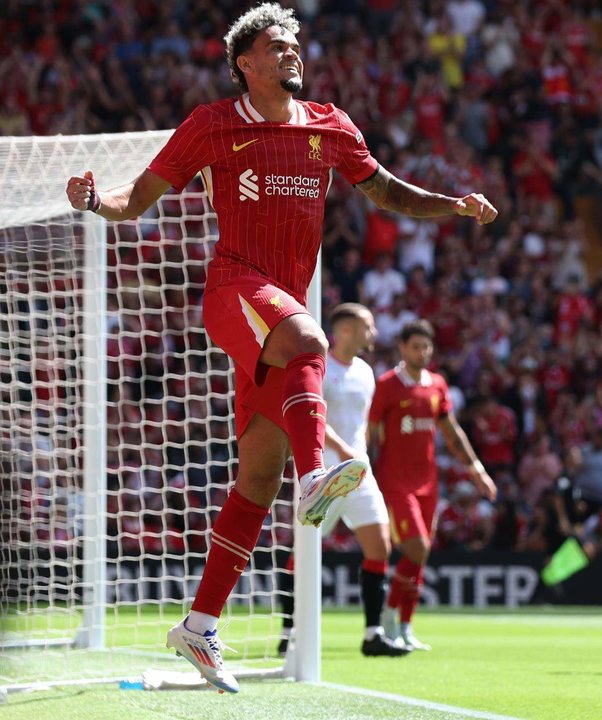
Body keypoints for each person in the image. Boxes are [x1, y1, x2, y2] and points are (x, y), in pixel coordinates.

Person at [64, 3, 497, 693]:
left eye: (296, 42)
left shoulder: (330, 125)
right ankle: (314, 476)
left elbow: (386, 190)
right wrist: (94, 201)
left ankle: (199, 626)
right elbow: (136, 198)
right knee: (310, 337)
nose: (293, 51)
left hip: (277, 314)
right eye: (277, 44)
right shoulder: (211, 125)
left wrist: (452, 204)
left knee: (254, 480)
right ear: (246, 62)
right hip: (235, 289)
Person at [277, 304, 409, 658]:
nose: (374, 333)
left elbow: (361, 424)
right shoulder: (320, 367)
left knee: (380, 545)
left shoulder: (366, 371)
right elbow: (314, 417)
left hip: (359, 471)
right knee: (301, 554)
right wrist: (344, 450)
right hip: (322, 470)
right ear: (346, 330)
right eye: (368, 326)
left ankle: (372, 633)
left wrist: (359, 453)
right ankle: (289, 631)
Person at [369, 319, 497, 651]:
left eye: (427, 347)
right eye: (416, 346)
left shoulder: (437, 384)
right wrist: (362, 473)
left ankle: (405, 627)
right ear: (402, 347)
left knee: (419, 556)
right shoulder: (386, 385)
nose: (422, 352)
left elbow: (452, 432)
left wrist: (476, 469)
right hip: (395, 482)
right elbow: (368, 435)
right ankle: (387, 616)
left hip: (428, 483)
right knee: (417, 548)